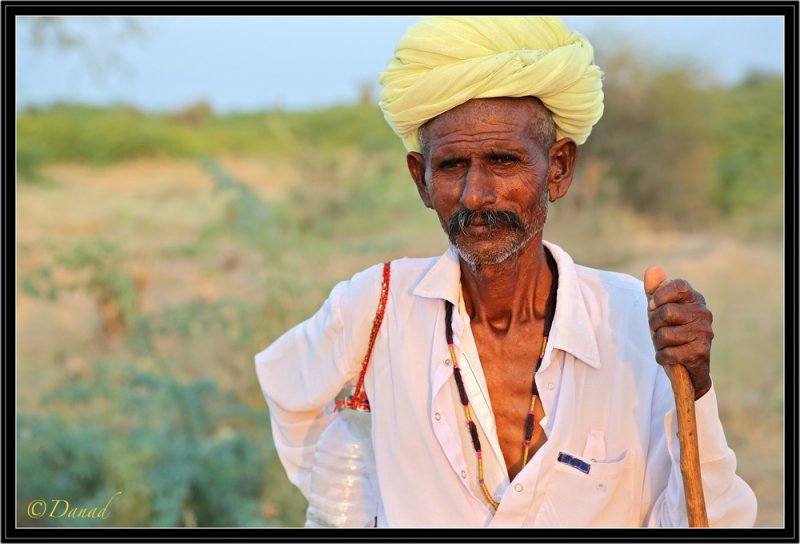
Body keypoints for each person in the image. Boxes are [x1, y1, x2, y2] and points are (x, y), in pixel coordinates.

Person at [254, 15, 758, 527]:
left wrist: (693, 385)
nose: (476, 194)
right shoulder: (378, 304)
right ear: (421, 180)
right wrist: (358, 504)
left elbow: (709, 520)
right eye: (452, 166)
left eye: (503, 161)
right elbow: (288, 395)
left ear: (558, 168)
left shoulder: (631, 321)